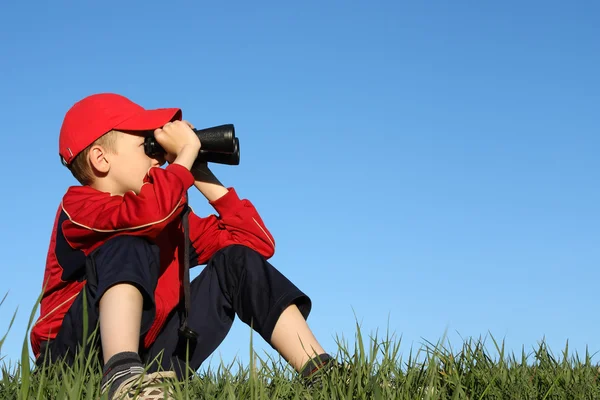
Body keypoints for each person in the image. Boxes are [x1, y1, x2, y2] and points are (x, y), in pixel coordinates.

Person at [30, 93, 335, 399]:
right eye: (146, 144)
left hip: (152, 357)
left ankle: (322, 375)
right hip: (73, 360)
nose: (157, 156)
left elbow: (254, 242)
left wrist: (198, 170)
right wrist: (183, 159)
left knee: (236, 261)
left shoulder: (167, 216)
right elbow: (146, 217)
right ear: (101, 158)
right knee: (127, 244)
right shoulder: (79, 207)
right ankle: (122, 377)